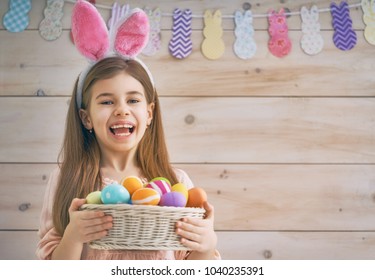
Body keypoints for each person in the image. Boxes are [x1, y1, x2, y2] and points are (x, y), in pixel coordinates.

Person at [36, 1, 220, 260]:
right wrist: (74, 235)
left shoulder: (175, 183)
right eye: (107, 101)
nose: (121, 110)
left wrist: (206, 245)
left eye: (133, 100)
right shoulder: (67, 179)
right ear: (85, 118)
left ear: (149, 114)